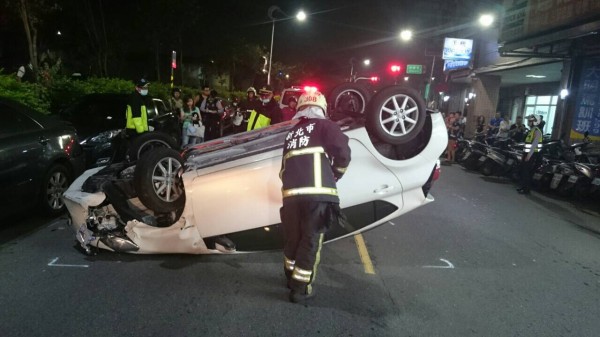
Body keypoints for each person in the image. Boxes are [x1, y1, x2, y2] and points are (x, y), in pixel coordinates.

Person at [280, 89, 351, 304]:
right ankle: (301, 290)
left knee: (294, 238)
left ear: (300, 109)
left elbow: (283, 169)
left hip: (291, 198)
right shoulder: (326, 126)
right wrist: (336, 174)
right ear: (322, 108)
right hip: (318, 196)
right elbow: (343, 154)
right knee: (310, 241)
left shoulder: (292, 133)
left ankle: (290, 279)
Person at [517, 114, 543, 195]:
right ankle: (523, 187)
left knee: (527, 172)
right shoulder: (531, 130)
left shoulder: (537, 131)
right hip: (527, 153)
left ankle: (526, 189)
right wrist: (524, 155)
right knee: (524, 171)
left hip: (531, 154)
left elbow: (535, 144)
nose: (528, 122)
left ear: (535, 122)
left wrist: (528, 155)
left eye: (530, 121)